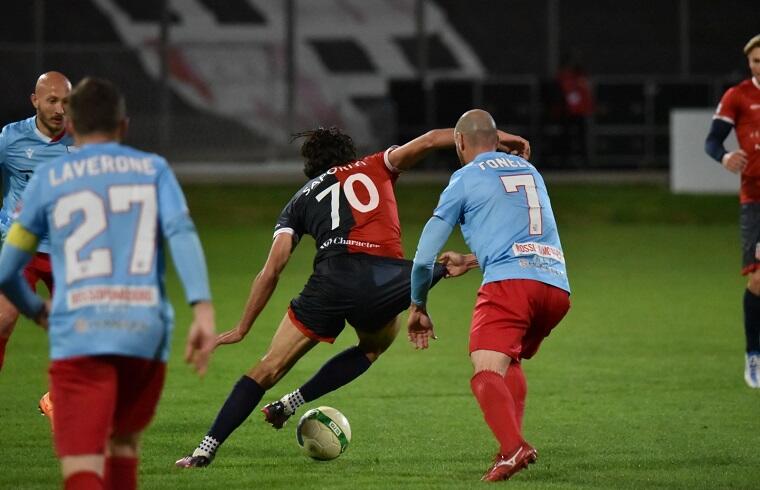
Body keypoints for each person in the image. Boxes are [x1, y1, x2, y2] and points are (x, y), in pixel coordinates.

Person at [175, 125, 531, 468]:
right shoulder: (378, 164)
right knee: (372, 347)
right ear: (349, 156)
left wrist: (242, 328)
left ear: (310, 167)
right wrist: (497, 138)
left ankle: (204, 450)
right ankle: (292, 402)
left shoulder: (299, 199)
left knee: (268, 368)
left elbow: (273, 269)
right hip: (386, 280)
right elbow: (430, 140)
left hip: (331, 281)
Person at [0, 77, 216, 490]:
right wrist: (202, 310)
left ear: (74, 127)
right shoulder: (153, 170)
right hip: (145, 335)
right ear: (124, 126)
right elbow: (182, 234)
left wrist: (38, 312)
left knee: (83, 464)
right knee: (121, 450)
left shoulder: (50, 180)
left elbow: (7, 269)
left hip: (79, 332)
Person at [408, 109, 570, 482]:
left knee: (484, 371)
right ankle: (507, 445)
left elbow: (422, 259)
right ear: (496, 140)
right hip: (556, 287)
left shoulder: (463, 179)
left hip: (509, 287)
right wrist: (469, 258)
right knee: (508, 360)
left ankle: (514, 448)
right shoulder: (531, 172)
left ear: (460, 142)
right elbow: (521, 234)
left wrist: (419, 304)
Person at [0, 73, 73, 419]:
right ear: (35, 100)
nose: (60, 109)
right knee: (2, 320)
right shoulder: (10, 138)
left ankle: (57, 399)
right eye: (52, 101)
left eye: (66, 102)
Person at [704, 33, 760, 388]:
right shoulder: (738, 95)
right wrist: (725, 156)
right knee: (758, 280)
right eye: (756, 61)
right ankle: (753, 355)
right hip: (755, 198)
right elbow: (712, 140)